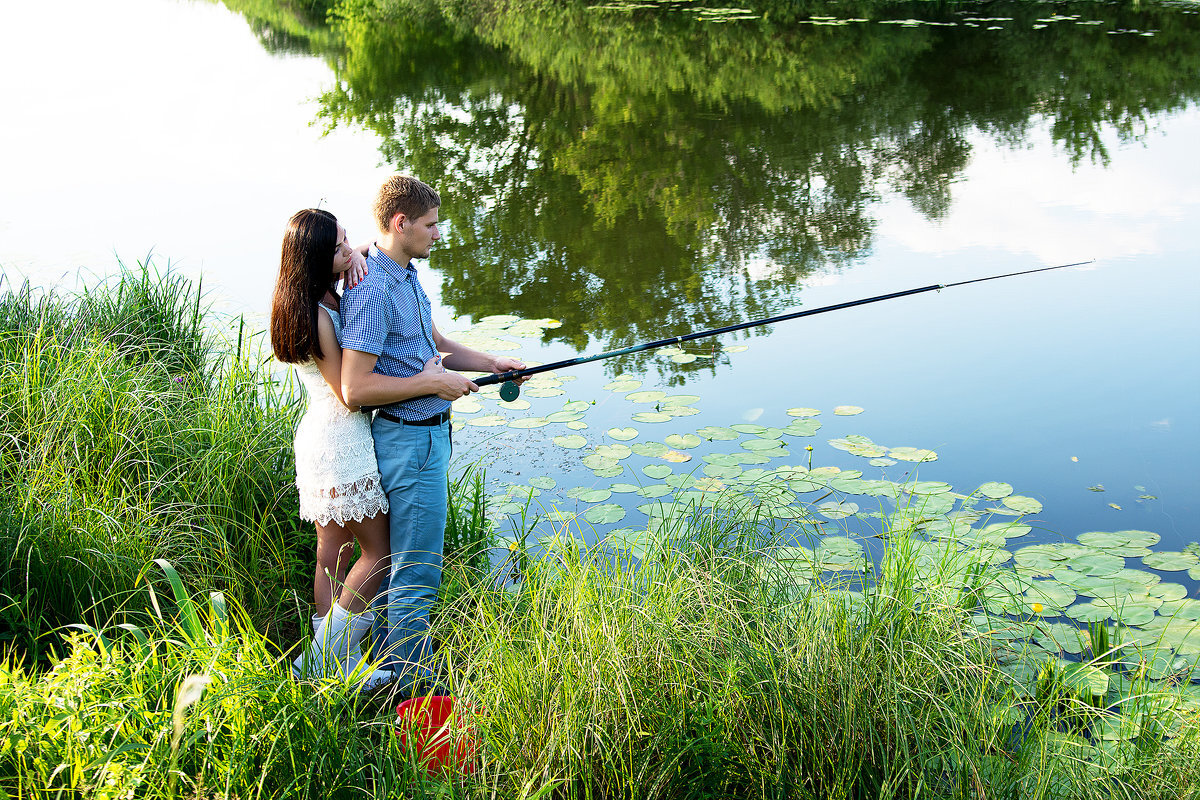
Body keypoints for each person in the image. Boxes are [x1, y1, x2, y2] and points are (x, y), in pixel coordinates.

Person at [340, 175, 525, 696]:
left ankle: (385, 668)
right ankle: (408, 690)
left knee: (411, 565)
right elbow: (355, 388)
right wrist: (434, 382)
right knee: (417, 574)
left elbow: (435, 342)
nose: (438, 233)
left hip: (429, 438)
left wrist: (493, 362)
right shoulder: (373, 287)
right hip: (408, 443)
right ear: (400, 224)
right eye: (430, 224)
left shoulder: (404, 272)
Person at [269, 208, 391, 688]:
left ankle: (333, 665)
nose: (349, 248)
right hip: (341, 441)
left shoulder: (306, 298)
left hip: (320, 439)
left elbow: (356, 251)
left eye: (347, 240)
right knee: (377, 554)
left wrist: (358, 255)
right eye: (339, 246)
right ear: (317, 258)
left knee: (333, 557)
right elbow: (348, 392)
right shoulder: (319, 316)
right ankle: (323, 663)